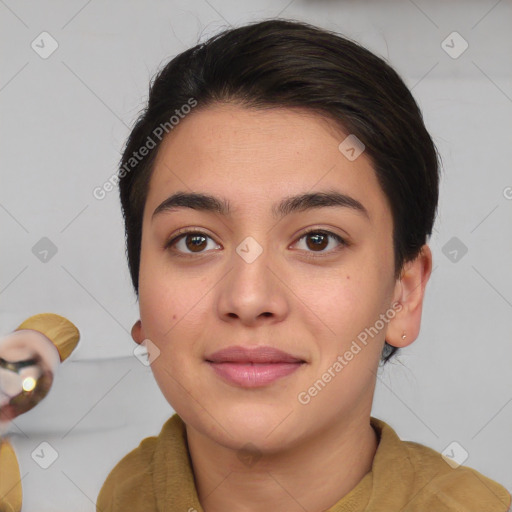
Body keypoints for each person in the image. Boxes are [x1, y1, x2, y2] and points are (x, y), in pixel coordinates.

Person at [96, 18, 511, 512]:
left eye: (318, 240)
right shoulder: (128, 491)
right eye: (195, 241)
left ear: (404, 294)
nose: (248, 300)